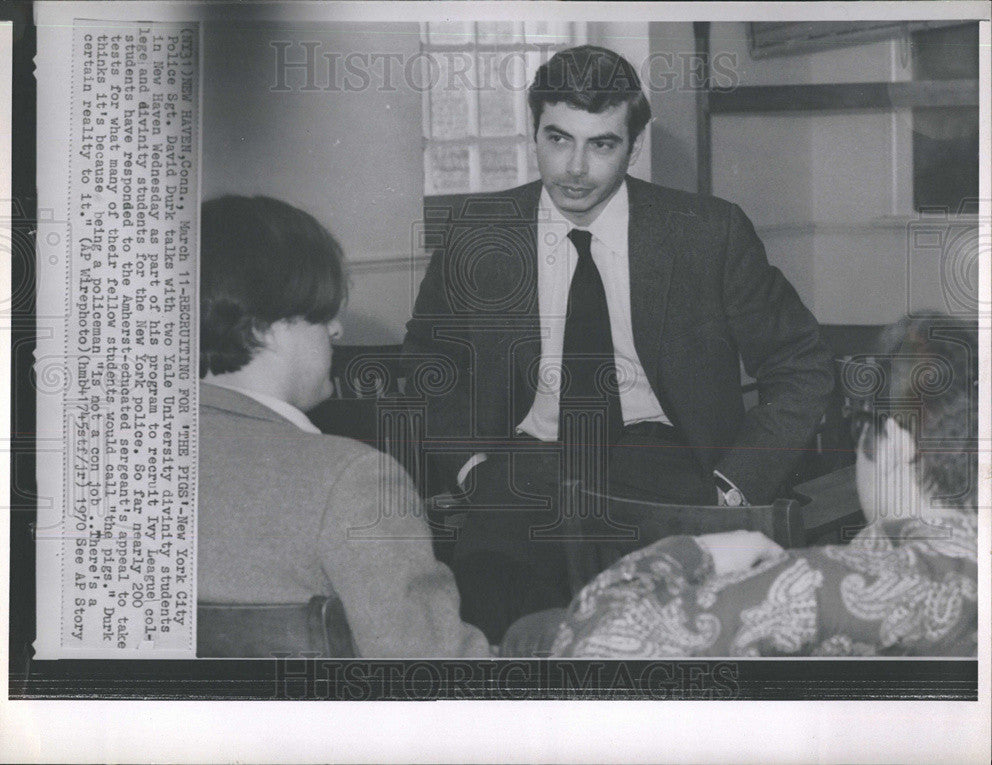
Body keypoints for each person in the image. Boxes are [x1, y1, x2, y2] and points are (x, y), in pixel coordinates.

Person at [404, 45, 834, 641]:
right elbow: (428, 362)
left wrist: (735, 486)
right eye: (558, 139)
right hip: (521, 477)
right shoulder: (481, 231)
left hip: (671, 474)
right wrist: (474, 467)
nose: (575, 168)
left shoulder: (708, 233)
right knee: (504, 653)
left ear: (634, 147)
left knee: (672, 657)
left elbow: (802, 364)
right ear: (534, 132)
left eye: (601, 144)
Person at [546, 314, 978, 657]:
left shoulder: (819, 586)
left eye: (859, 425)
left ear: (894, 447)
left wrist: (699, 551)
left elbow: (587, 649)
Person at [198, 195, 488, 658]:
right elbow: (437, 677)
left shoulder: (121, 466)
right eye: (322, 313)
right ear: (266, 329)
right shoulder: (353, 480)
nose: (336, 331)